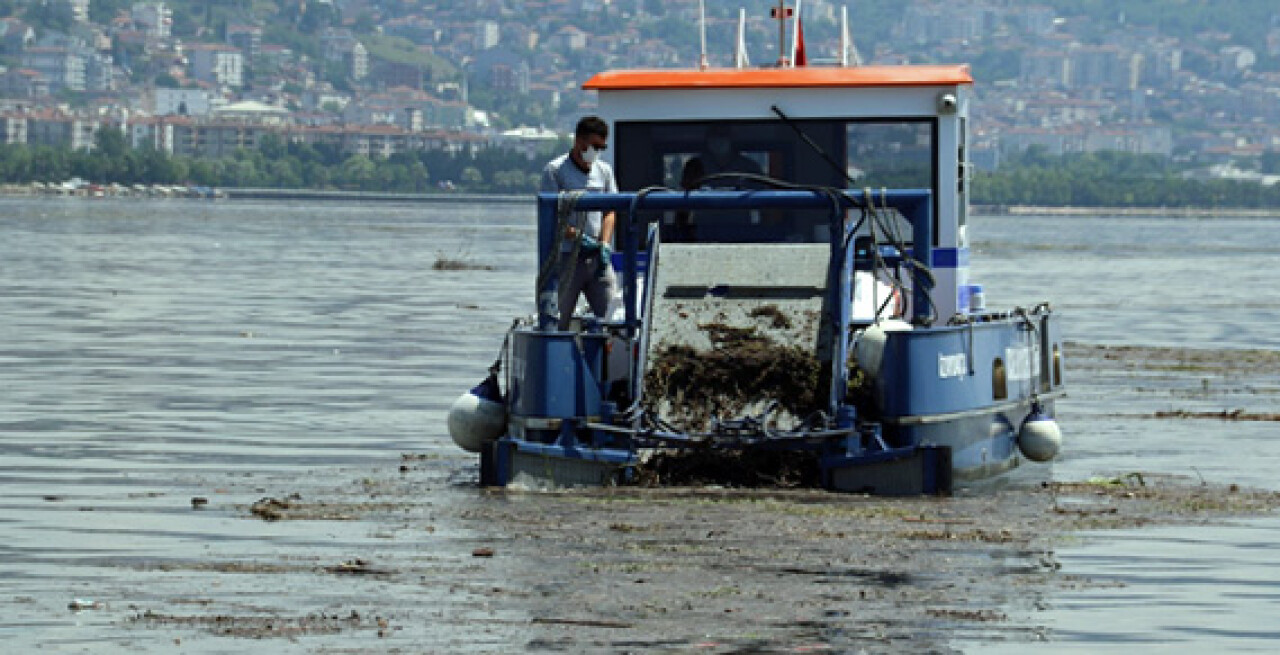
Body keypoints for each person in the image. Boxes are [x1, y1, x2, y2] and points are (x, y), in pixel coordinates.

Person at [540, 116, 618, 330]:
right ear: (578, 141)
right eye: (592, 145)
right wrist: (576, 237)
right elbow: (552, 216)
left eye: (601, 147)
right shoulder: (555, 171)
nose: (595, 151)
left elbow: (610, 210)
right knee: (558, 319)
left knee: (614, 317)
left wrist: (604, 243)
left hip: (596, 259)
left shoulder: (604, 171)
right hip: (566, 257)